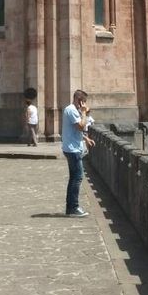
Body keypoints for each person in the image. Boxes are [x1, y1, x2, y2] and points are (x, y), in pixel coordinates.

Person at [61, 89, 94, 218]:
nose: (85, 104)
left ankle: (71, 207)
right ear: (80, 101)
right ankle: (73, 207)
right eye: (84, 102)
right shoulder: (71, 110)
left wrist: (86, 139)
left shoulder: (72, 110)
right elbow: (80, 126)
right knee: (77, 177)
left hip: (73, 147)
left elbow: (75, 130)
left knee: (74, 177)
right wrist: (84, 112)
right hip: (72, 149)